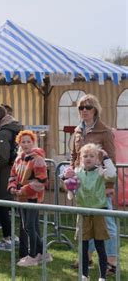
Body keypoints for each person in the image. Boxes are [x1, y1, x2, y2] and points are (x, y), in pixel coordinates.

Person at [69, 94, 117, 275]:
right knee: (84, 221)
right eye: (81, 107)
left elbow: (111, 158)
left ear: (95, 109)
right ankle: (86, 258)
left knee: (108, 222)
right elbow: (74, 156)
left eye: (88, 107)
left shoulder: (105, 131)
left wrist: (109, 184)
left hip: (99, 182)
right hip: (82, 183)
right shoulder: (77, 131)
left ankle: (111, 262)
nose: (84, 111)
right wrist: (71, 175)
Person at [65, 143, 116, 281]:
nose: (88, 158)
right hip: (83, 214)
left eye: (92, 156)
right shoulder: (77, 172)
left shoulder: (100, 171)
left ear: (97, 159)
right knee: (83, 246)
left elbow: (112, 175)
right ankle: (84, 274)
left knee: (100, 246)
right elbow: (70, 188)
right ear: (81, 158)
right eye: (85, 156)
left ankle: (102, 276)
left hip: (98, 212)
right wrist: (68, 182)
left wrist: (106, 158)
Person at [7, 130, 51, 267]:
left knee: (29, 226)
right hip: (21, 198)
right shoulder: (18, 158)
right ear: (19, 143)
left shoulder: (37, 159)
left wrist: (22, 191)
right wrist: (12, 187)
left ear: (33, 142)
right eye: (23, 142)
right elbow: (13, 175)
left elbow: (41, 180)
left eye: (28, 141)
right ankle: (44, 253)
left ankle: (33, 256)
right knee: (29, 227)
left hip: (32, 197)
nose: (25, 144)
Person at [0, 104, 22, 251]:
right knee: (7, 207)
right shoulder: (15, 128)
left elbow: (2, 157)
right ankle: (12, 237)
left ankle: (8, 238)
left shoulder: (4, 132)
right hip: (13, 172)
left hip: (3, 175)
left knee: (1, 207)